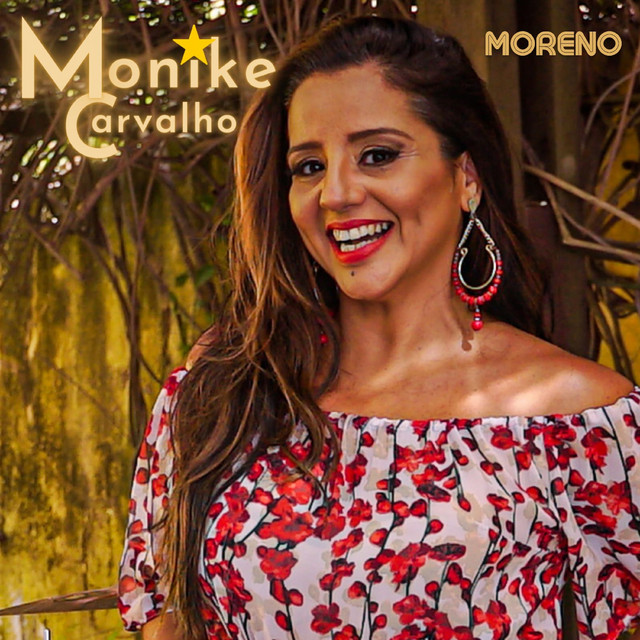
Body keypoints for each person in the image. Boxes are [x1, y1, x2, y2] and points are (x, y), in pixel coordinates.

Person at [117, 15, 640, 640]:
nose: (336, 193)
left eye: (378, 155)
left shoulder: (586, 423)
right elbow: (170, 622)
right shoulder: (223, 396)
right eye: (309, 166)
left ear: (466, 178)